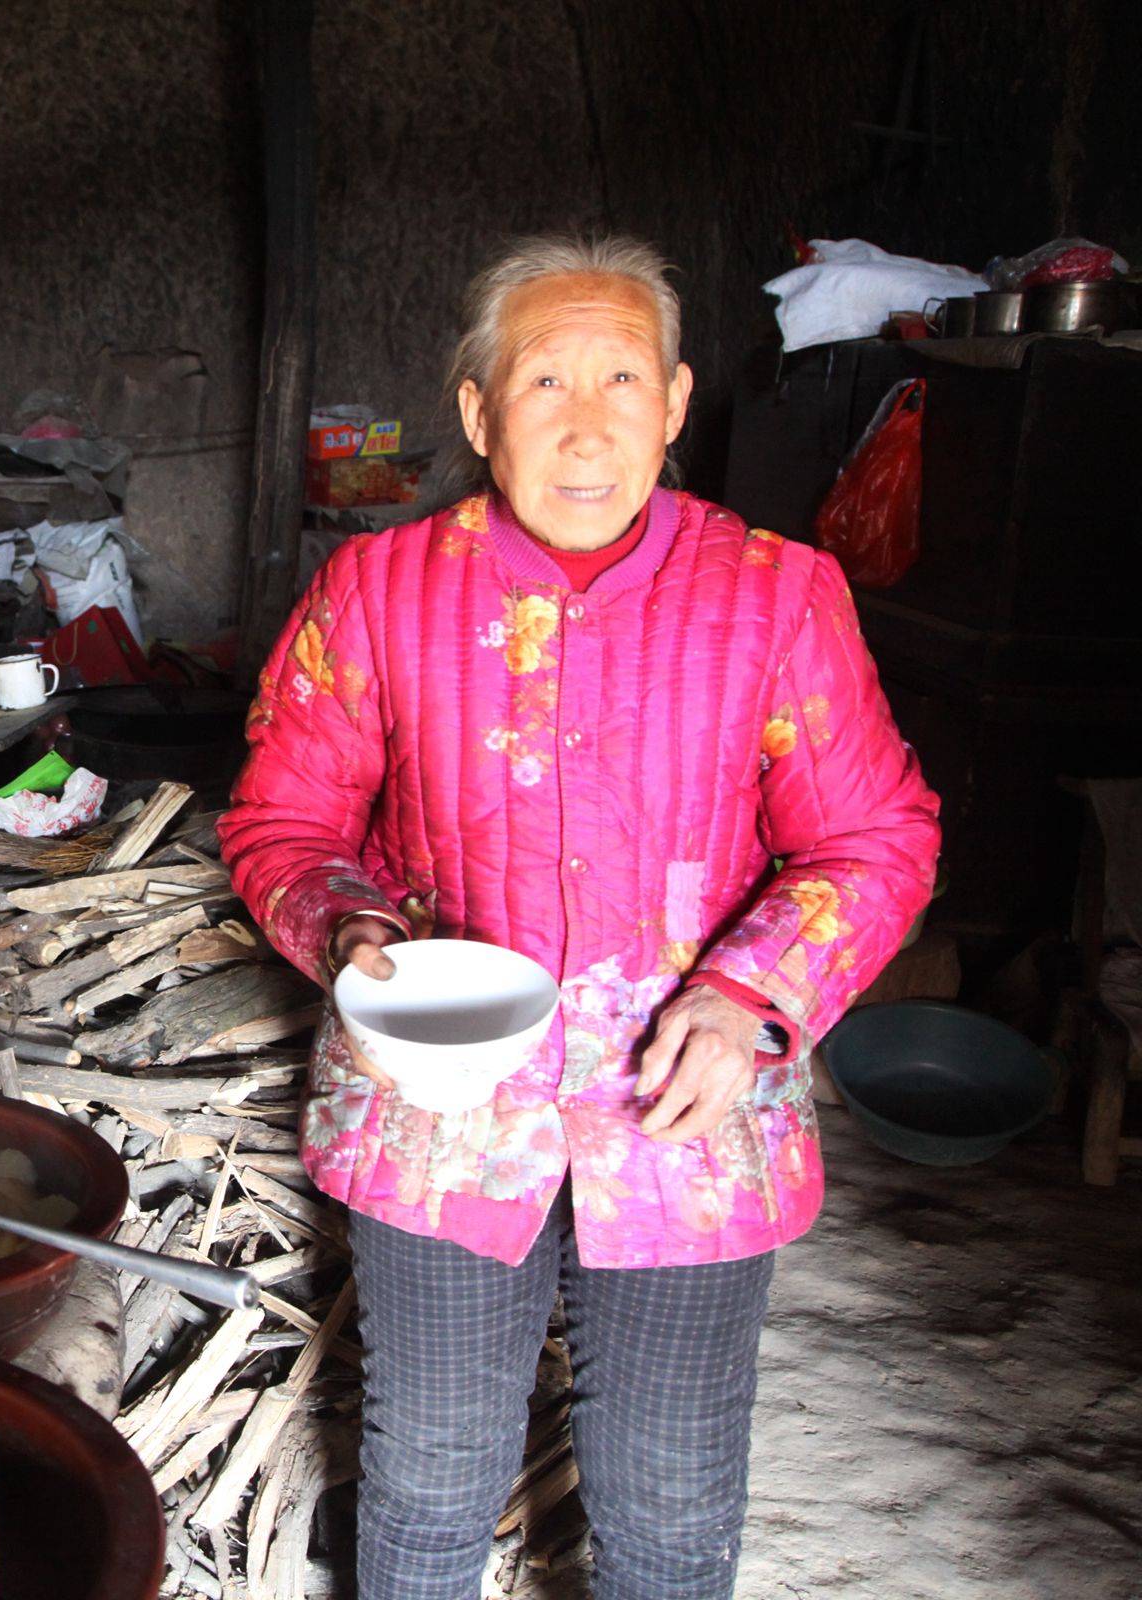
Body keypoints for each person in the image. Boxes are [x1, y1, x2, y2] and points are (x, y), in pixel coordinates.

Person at [221, 233, 940, 1600]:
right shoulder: (377, 596)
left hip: (688, 1112)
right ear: (480, 413)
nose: (589, 421)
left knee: (667, 1503)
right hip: (437, 1106)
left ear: (675, 406)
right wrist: (348, 935)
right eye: (544, 380)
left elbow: (875, 836)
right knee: (430, 1479)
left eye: (623, 377)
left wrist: (749, 998)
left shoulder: (778, 595)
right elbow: (282, 824)